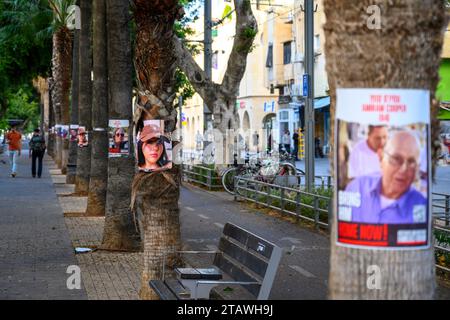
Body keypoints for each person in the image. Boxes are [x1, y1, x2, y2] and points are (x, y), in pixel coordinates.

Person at [342, 131, 426, 224]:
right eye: (396, 158)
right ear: (381, 157)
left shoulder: (421, 205)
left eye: (411, 162)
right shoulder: (356, 188)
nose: (403, 169)